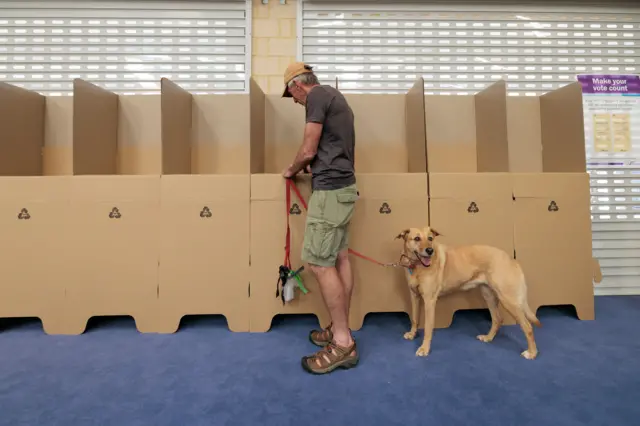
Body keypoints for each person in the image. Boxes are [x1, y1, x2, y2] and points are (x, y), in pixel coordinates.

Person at [281, 62, 359, 375]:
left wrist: (292, 169)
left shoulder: (316, 97)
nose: (296, 101)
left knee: (319, 263)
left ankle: (342, 342)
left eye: (292, 95)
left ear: (297, 85)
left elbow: (308, 149)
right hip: (343, 188)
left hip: (329, 193)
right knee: (340, 258)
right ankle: (340, 327)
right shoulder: (334, 96)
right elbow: (331, 147)